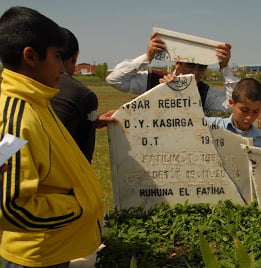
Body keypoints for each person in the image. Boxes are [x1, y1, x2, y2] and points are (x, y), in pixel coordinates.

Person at [0, 6, 103, 267]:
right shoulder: (15, 119)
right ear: (31, 57)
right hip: (37, 255)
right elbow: (11, 206)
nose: (62, 67)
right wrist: (77, 207)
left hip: (54, 247)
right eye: (57, 57)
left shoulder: (37, 101)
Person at [106, 32, 239, 114]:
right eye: (191, 65)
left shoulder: (204, 91)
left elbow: (230, 105)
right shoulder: (153, 79)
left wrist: (224, 67)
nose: (196, 72)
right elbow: (115, 80)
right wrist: (147, 57)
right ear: (177, 63)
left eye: (201, 68)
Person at [51, 27, 116, 162]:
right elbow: (84, 146)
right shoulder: (83, 94)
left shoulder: (28, 88)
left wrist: (94, 121)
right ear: (75, 56)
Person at [204, 78, 261, 148]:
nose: (249, 117)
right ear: (231, 103)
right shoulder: (212, 125)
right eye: (244, 110)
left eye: (255, 111)